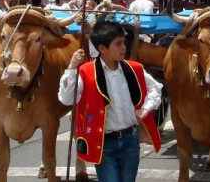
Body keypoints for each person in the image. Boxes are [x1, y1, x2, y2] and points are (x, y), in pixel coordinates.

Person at [59, 20, 162, 182]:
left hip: (130, 141)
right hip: (104, 144)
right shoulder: (86, 72)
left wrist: (146, 108)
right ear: (102, 49)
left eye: (123, 43)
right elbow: (66, 98)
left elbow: (156, 88)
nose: (124, 48)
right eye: (118, 44)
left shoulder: (134, 68)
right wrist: (72, 68)